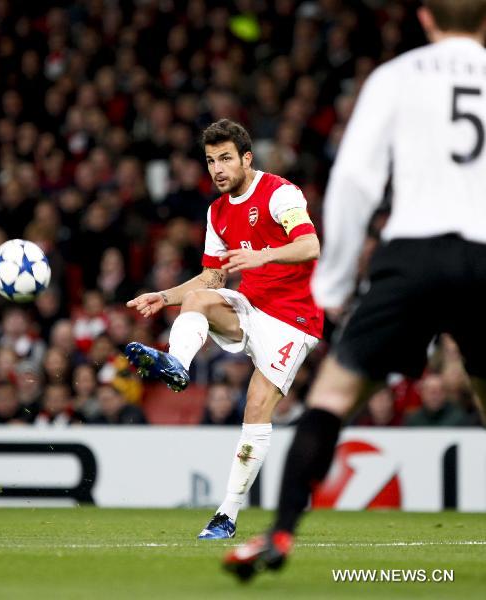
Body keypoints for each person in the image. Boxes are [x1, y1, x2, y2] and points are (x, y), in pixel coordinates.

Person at [224, 0, 486, 580]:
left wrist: (336, 278)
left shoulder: (396, 78)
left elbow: (354, 178)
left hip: (413, 255)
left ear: (425, 18)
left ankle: (280, 533)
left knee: (333, 399)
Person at [125, 119, 323, 539]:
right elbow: (211, 279)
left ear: (246, 159)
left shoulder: (279, 193)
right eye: (211, 160)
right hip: (251, 308)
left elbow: (310, 246)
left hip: (294, 320)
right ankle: (177, 364)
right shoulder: (217, 212)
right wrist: (164, 296)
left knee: (255, 409)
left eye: (226, 159)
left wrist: (263, 257)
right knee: (197, 300)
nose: (217, 168)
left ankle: (227, 515)